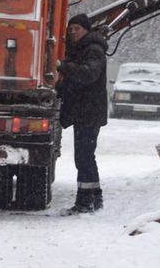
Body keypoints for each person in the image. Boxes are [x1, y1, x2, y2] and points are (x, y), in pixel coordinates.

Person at [56, 13, 108, 214]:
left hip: (89, 112)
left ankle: (85, 202)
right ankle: (95, 197)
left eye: (77, 29)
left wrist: (62, 66)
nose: (73, 32)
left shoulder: (93, 50)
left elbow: (88, 73)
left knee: (84, 157)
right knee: (86, 156)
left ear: (86, 30)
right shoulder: (85, 49)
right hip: (87, 111)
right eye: (70, 30)